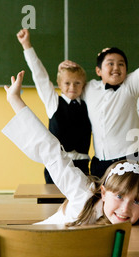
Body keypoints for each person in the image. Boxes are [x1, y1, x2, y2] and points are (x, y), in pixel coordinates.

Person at [2, 71, 139, 236]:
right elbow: (52, 152)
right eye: (119, 196)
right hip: (37, 249)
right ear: (102, 192)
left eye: (137, 201)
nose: (125, 208)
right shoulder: (83, 194)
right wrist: (14, 100)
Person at [60, 29, 139, 178]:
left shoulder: (130, 86)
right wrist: (63, 67)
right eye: (110, 63)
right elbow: (69, 83)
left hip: (127, 158)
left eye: (121, 64)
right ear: (98, 70)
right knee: (99, 199)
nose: (116, 68)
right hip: (99, 161)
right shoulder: (89, 87)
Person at [17, 29, 91, 184]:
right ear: (59, 84)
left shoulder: (87, 103)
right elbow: (40, 76)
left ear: (83, 85)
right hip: (58, 165)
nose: (72, 87)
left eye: (77, 83)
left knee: (82, 206)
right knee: (53, 205)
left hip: (83, 165)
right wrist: (27, 45)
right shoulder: (53, 102)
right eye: (67, 83)